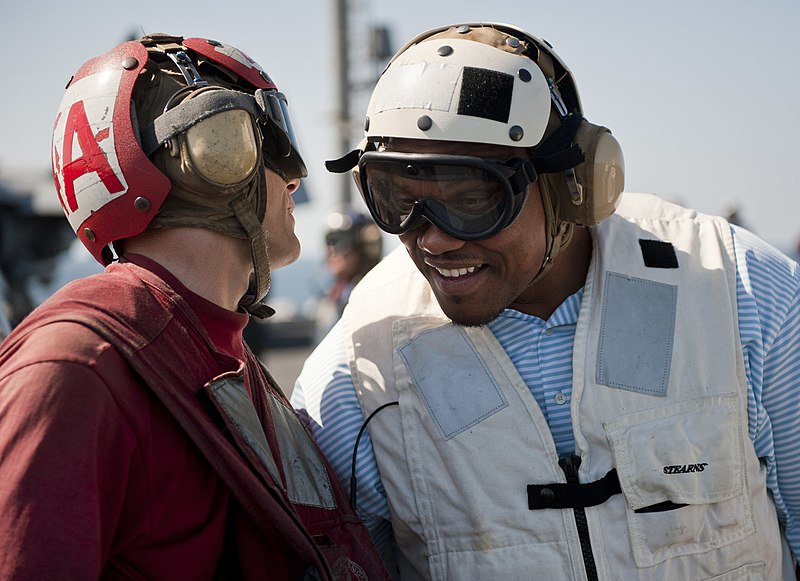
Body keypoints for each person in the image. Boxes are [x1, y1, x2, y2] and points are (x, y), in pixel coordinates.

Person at [291, 22, 800, 580]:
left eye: (472, 199)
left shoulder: (739, 292)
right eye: (396, 199)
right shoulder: (360, 368)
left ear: (572, 184)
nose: (433, 238)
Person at [0, 34, 388, 580]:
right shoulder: (78, 371)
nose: (295, 177)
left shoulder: (209, 348)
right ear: (216, 151)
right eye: (270, 141)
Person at [315, 209, 383, 337]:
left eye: (338, 241)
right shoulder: (334, 296)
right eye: (328, 242)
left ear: (364, 248)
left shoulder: (376, 298)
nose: (330, 251)